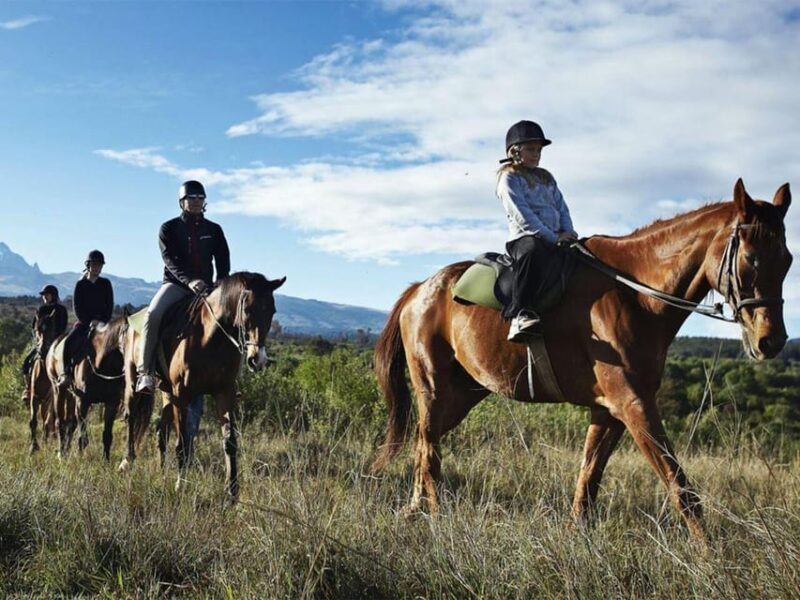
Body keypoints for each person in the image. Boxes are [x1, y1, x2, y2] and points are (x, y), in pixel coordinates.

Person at [136, 180, 230, 393]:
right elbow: (169, 259)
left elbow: (223, 259)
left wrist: (221, 285)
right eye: (191, 198)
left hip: (207, 288)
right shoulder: (169, 228)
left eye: (200, 198)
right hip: (176, 285)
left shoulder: (214, 230)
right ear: (182, 201)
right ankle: (146, 373)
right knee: (153, 315)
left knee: (230, 319)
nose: (196, 201)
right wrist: (189, 281)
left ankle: (230, 377)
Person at [496, 120, 578, 342]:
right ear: (515, 151)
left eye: (539, 150)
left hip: (557, 238)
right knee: (533, 249)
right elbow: (523, 217)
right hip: (525, 239)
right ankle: (520, 314)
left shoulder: (546, 177)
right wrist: (554, 238)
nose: (537, 154)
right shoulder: (508, 178)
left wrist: (568, 233)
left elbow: (562, 208)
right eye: (531, 149)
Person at [59, 250, 114, 385]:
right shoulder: (80, 284)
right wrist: (89, 322)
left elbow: (109, 305)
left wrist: (102, 321)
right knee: (68, 342)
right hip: (84, 323)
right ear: (88, 265)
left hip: (103, 324)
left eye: (99, 265)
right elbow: (77, 307)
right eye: (94, 265)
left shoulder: (106, 283)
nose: (97, 268)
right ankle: (66, 373)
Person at [21, 285, 68, 403]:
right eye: (43, 295)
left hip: (57, 343)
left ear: (53, 295)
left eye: (47, 294)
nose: (45, 297)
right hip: (41, 341)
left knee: (68, 362)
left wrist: (54, 341)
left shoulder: (61, 310)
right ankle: (28, 388)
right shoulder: (41, 310)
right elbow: (34, 327)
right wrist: (38, 339)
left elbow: (62, 328)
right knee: (27, 362)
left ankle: (68, 386)